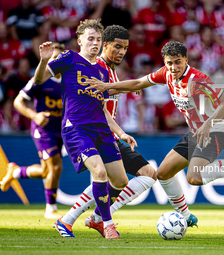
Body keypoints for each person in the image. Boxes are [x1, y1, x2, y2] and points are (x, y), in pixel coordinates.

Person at [86, 41, 224, 225]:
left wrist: (207, 125)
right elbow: (138, 83)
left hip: (216, 129)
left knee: (194, 177)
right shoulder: (166, 73)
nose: (173, 67)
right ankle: (187, 217)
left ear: (186, 60)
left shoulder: (196, 80)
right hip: (197, 132)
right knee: (163, 173)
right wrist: (106, 87)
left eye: (177, 62)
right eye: (169, 63)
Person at [33, 19, 135, 239]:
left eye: (98, 40)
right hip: (77, 128)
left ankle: (74, 221)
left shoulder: (102, 71)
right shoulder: (69, 58)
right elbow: (39, 80)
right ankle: (107, 224)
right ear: (80, 40)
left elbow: (104, 110)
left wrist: (121, 133)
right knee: (99, 172)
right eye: (90, 39)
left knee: (121, 181)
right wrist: (43, 61)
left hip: (102, 131)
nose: (95, 43)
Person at [56, 25, 156, 239]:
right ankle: (92, 219)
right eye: (117, 47)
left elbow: (104, 104)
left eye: (125, 48)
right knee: (107, 175)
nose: (121, 52)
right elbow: (98, 97)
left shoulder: (109, 70)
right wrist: (127, 86)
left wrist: (121, 132)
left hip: (106, 133)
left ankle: (86, 219)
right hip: (92, 131)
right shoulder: (96, 65)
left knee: (128, 178)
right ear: (105, 45)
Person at [0, 43, 65, 220]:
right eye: (53, 59)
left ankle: (15, 172)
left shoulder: (69, 80)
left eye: (59, 58)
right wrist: (34, 116)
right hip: (42, 129)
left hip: (59, 129)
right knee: (56, 166)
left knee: (47, 170)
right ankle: (50, 209)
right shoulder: (40, 79)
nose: (55, 62)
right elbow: (18, 102)